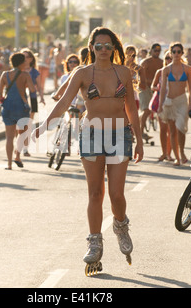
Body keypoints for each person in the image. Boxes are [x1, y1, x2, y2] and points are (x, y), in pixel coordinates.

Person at [34, 27, 143, 270]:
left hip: (119, 134)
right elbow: (64, 102)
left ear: (114, 47)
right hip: (91, 134)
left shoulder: (124, 72)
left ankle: (120, 225)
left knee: (117, 195)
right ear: (92, 47)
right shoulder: (82, 73)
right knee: (95, 193)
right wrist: (44, 126)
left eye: (107, 45)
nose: (103, 49)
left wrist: (139, 140)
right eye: (98, 45)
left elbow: (132, 109)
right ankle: (95, 242)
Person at [0, 52, 35, 170]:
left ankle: (9, 164)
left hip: (7, 106)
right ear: (20, 63)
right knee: (21, 134)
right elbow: (33, 89)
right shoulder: (25, 75)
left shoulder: (5, 74)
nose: (25, 63)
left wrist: (3, 100)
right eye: (24, 61)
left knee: (9, 137)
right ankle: (17, 156)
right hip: (21, 107)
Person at [158, 42, 191, 166]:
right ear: (170, 53)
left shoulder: (187, 69)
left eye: (179, 52)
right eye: (174, 52)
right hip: (169, 102)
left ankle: (182, 152)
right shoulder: (166, 69)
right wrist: (160, 105)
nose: (176, 54)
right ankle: (177, 157)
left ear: (182, 53)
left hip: (182, 101)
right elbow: (162, 89)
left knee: (181, 128)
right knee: (172, 130)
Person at [21, 48, 45, 157]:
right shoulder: (18, 70)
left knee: (28, 123)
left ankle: (25, 148)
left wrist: (42, 98)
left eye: (26, 57)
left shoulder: (35, 72)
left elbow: (39, 86)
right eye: (22, 56)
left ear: (31, 59)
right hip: (20, 99)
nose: (24, 59)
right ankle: (19, 145)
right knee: (20, 124)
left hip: (32, 98)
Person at [151, 51, 173, 162]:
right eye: (167, 58)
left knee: (171, 129)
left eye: (171, 58)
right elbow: (152, 86)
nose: (169, 60)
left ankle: (169, 154)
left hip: (173, 102)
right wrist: (159, 89)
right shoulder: (160, 72)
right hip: (161, 101)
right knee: (163, 129)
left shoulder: (177, 72)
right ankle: (164, 152)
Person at [138, 43, 163, 140]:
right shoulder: (145, 62)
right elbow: (140, 76)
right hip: (145, 87)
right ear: (151, 51)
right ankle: (140, 133)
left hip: (156, 88)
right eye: (155, 50)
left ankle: (136, 122)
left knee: (150, 111)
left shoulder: (161, 62)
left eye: (159, 51)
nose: (157, 52)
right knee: (147, 110)